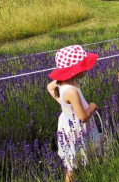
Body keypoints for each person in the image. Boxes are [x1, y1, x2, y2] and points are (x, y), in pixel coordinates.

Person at [47, 45, 100, 182]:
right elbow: (83, 117)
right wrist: (93, 107)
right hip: (77, 129)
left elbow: (49, 87)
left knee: (72, 159)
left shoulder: (62, 85)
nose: (87, 69)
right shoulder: (72, 91)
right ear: (74, 70)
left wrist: (62, 103)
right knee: (72, 164)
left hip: (66, 123)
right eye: (84, 66)